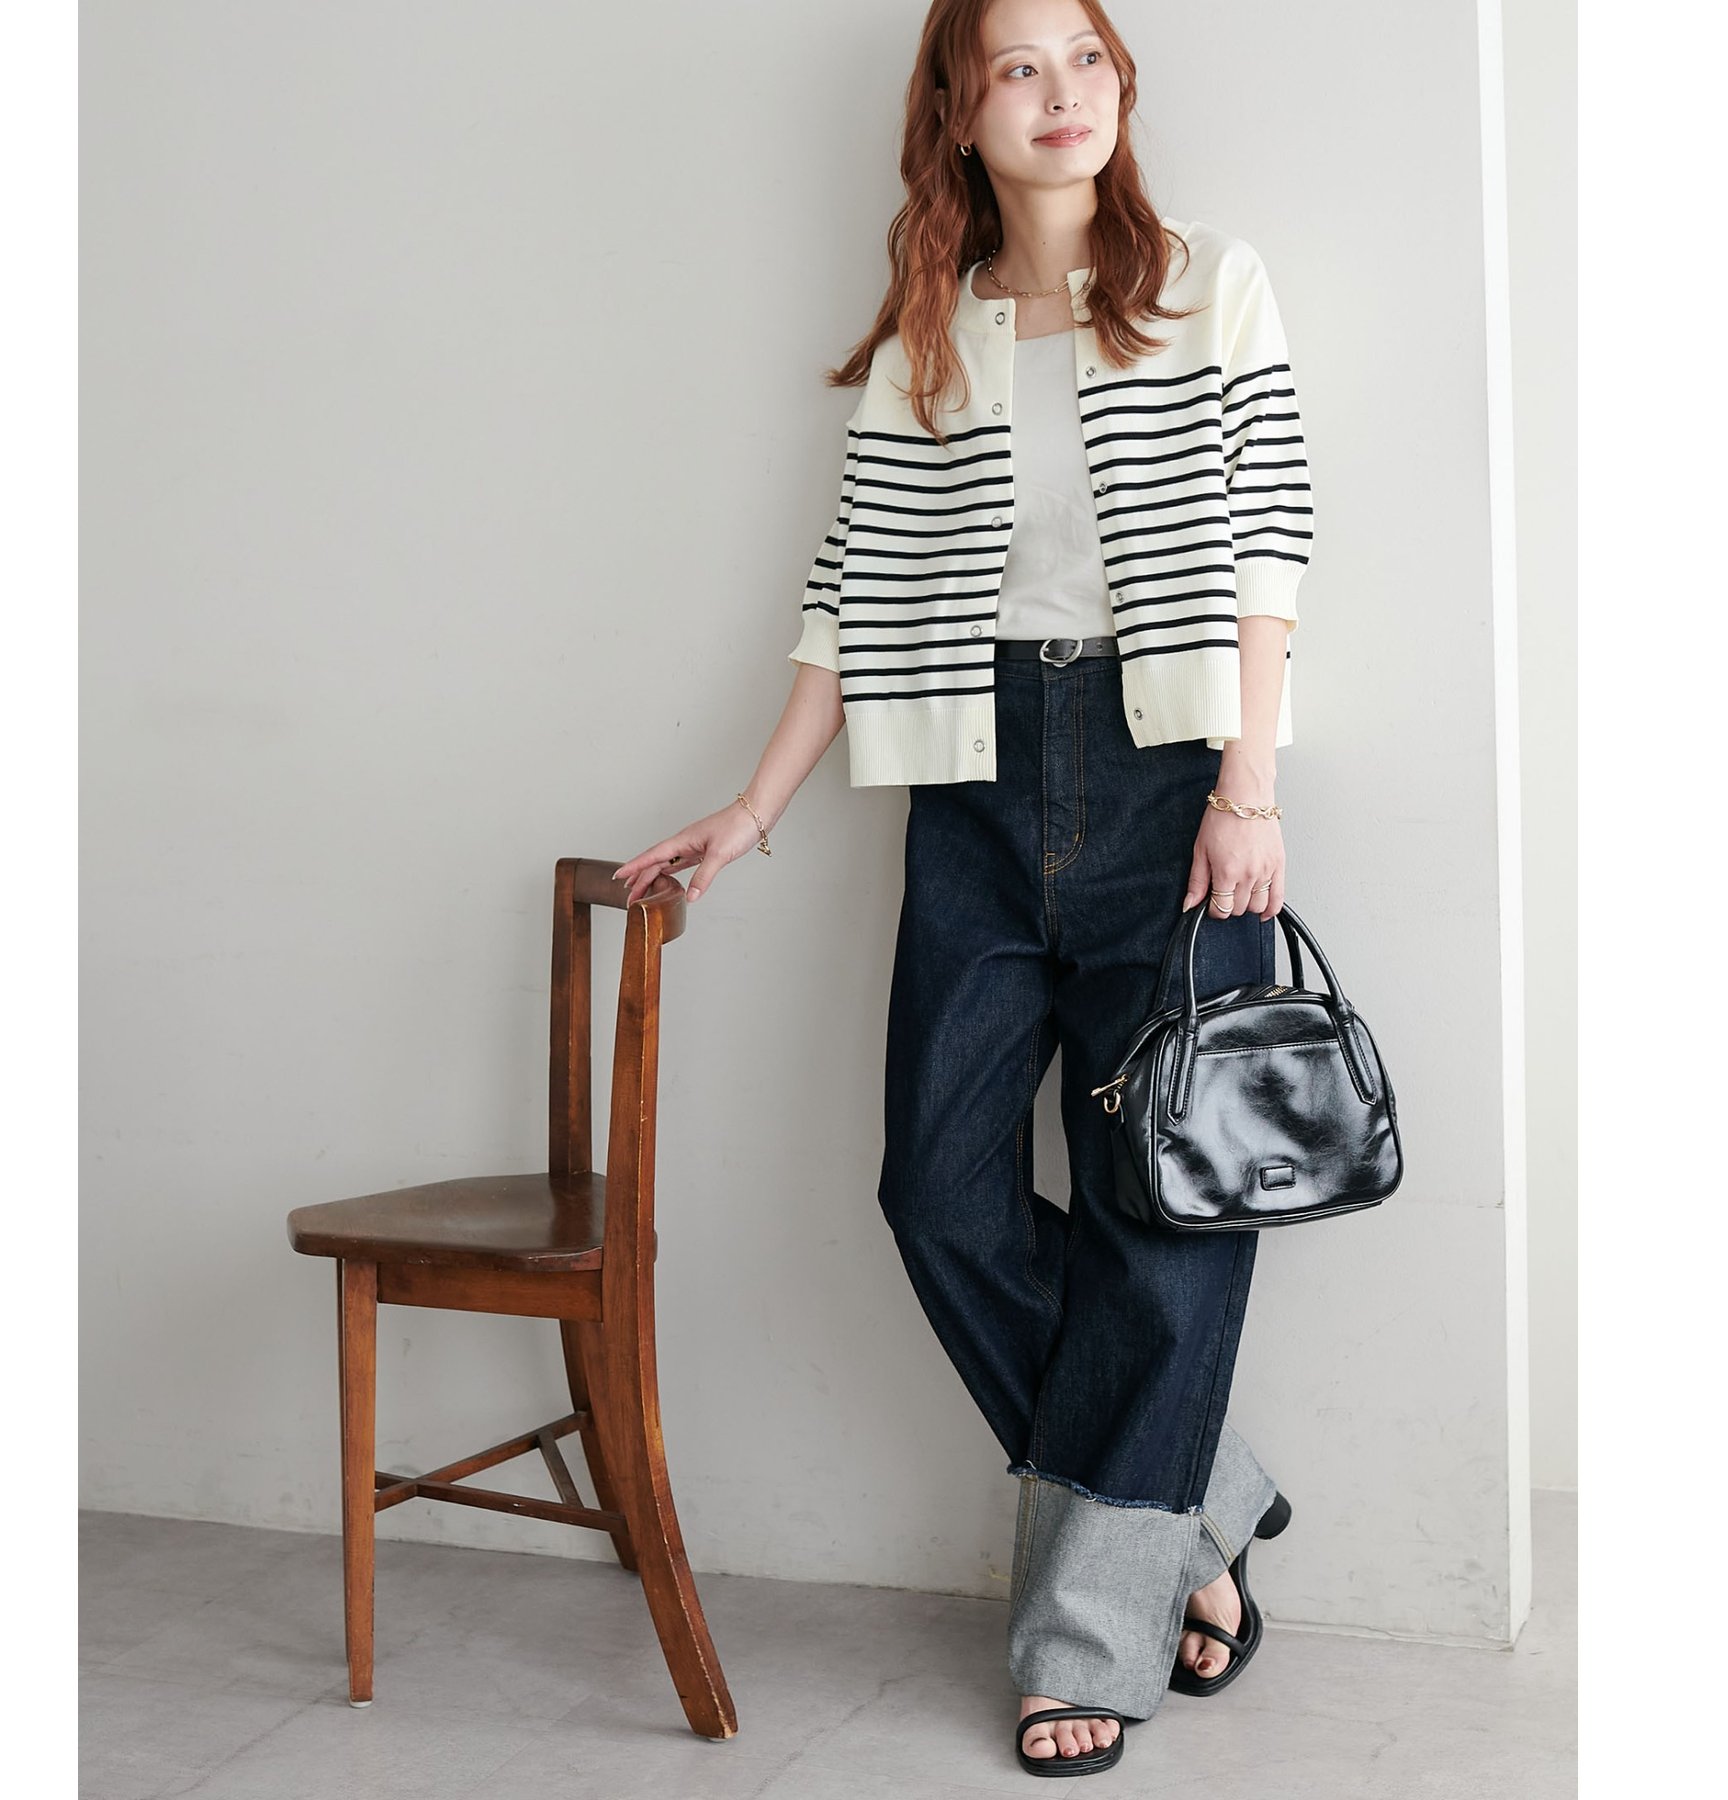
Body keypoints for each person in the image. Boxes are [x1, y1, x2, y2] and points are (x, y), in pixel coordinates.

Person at [613, 0, 1309, 1774]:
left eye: (1084, 55)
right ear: (959, 109)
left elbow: (1270, 540)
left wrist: (1248, 786)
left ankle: (1088, 1637)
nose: (1061, 92)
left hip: (1168, 772)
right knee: (937, 1194)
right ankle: (1199, 1496)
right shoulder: (934, 331)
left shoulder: (1209, 285)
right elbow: (850, 581)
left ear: (1121, 79)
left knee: (1162, 1209)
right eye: (1017, 65)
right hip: (974, 780)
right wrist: (754, 807)